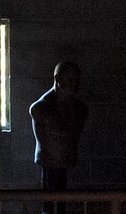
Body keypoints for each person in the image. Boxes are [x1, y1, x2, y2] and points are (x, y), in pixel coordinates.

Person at [29, 61, 89, 192]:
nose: (74, 84)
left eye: (77, 80)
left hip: (67, 163)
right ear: (57, 79)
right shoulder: (41, 108)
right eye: (70, 79)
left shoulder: (80, 109)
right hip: (50, 164)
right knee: (51, 201)